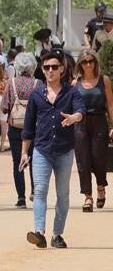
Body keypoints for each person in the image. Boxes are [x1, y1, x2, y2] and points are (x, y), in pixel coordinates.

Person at [23, 50, 84, 249]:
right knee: (39, 190)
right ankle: (39, 232)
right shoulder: (36, 95)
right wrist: (25, 152)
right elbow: (28, 126)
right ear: (42, 70)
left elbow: (80, 110)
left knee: (63, 194)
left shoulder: (71, 92)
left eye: (54, 67)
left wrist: (75, 117)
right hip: (41, 150)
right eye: (47, 67)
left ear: (62, 70)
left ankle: (57, 234)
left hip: (65, 150)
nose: (50, 70)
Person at [72, 49, 113, 212]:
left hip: (99, 121)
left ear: (95, 62)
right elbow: (71, 105)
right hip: (80, 123)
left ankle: (101, 186)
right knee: (83, 161)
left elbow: (110, 104)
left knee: (98, 159)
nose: (88, 64)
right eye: (84, 61)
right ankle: (87, 196)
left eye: (91, 61)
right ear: (80, 64)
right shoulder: (75, 84)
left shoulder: (104, 80)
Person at [3, 52, 39, 207]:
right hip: (34, 128)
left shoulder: (11, 83)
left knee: (17, 161)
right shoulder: (38, 83)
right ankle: (35, 192)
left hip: (15, 126)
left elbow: (5, 107)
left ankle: (21, 197)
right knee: (34, 160)